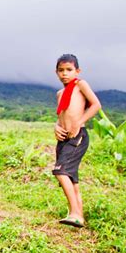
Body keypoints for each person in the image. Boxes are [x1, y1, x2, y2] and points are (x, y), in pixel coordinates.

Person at [52, 54, 101, 228]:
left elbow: (96, 105)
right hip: (64, 139)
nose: (64, 74)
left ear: (77, 71)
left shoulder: (80, 85)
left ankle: (74, 213)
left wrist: (79, 123)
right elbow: (61, 116)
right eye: (61, 70)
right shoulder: (60, 93)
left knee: (60, 171)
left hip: (77, 136)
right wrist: (56, 127)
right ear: (56, 72)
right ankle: (79, 215)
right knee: (72, 178)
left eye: (69, 70)